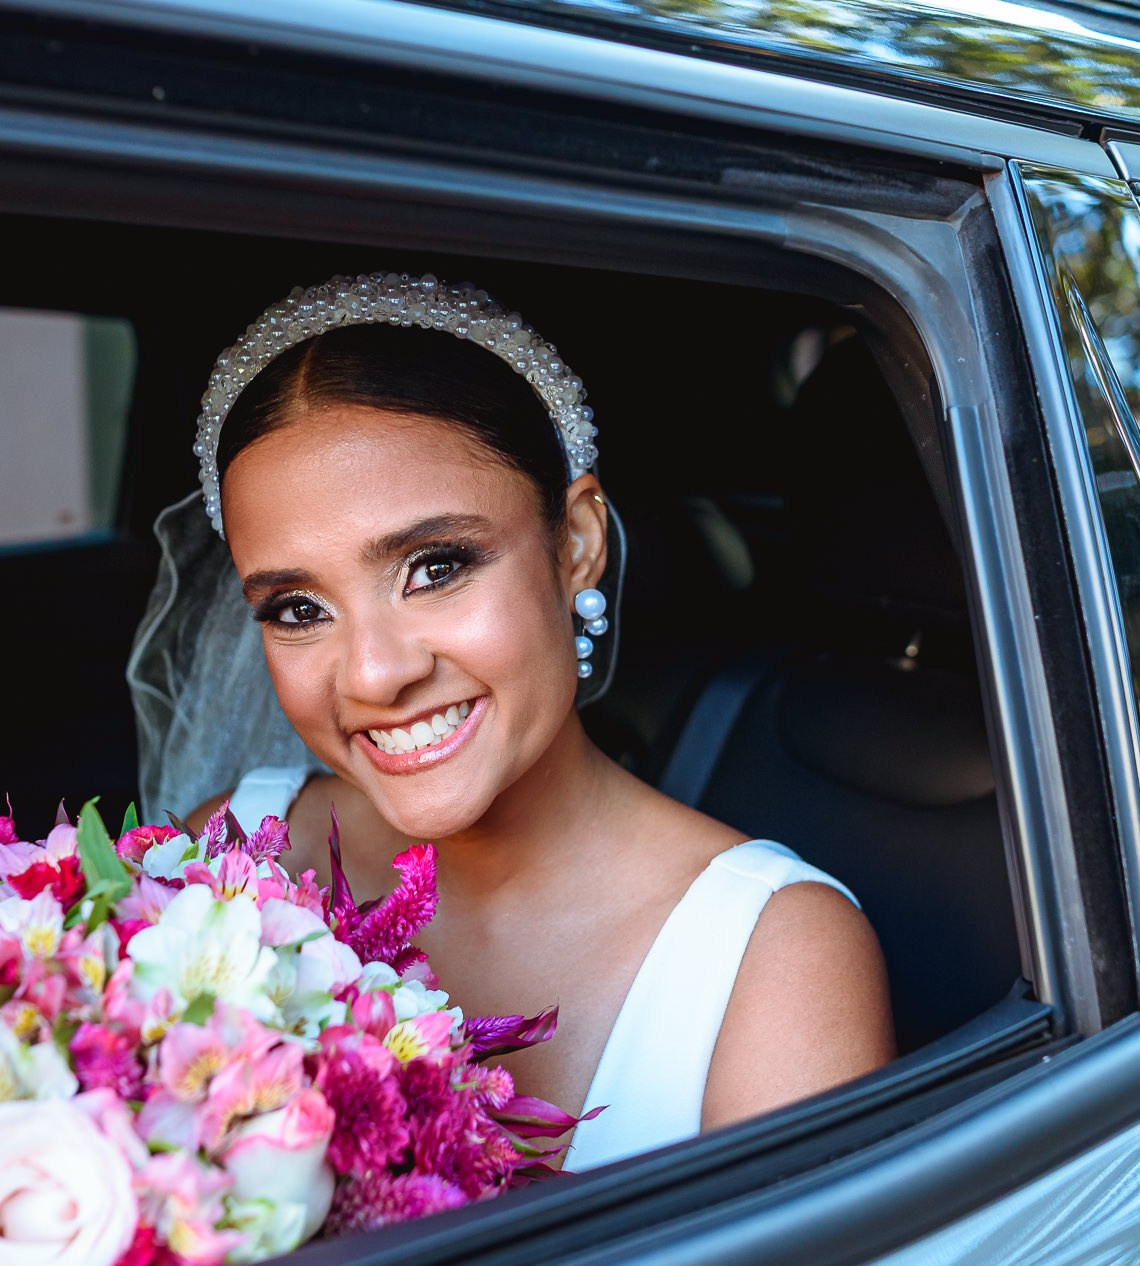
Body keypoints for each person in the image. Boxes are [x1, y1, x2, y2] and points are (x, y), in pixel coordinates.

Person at [130, 273, 894, 1169]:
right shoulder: (228, 859)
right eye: (299, 609)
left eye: (435, 566)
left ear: (578, 543)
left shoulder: (776, 959)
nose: (374, 673)